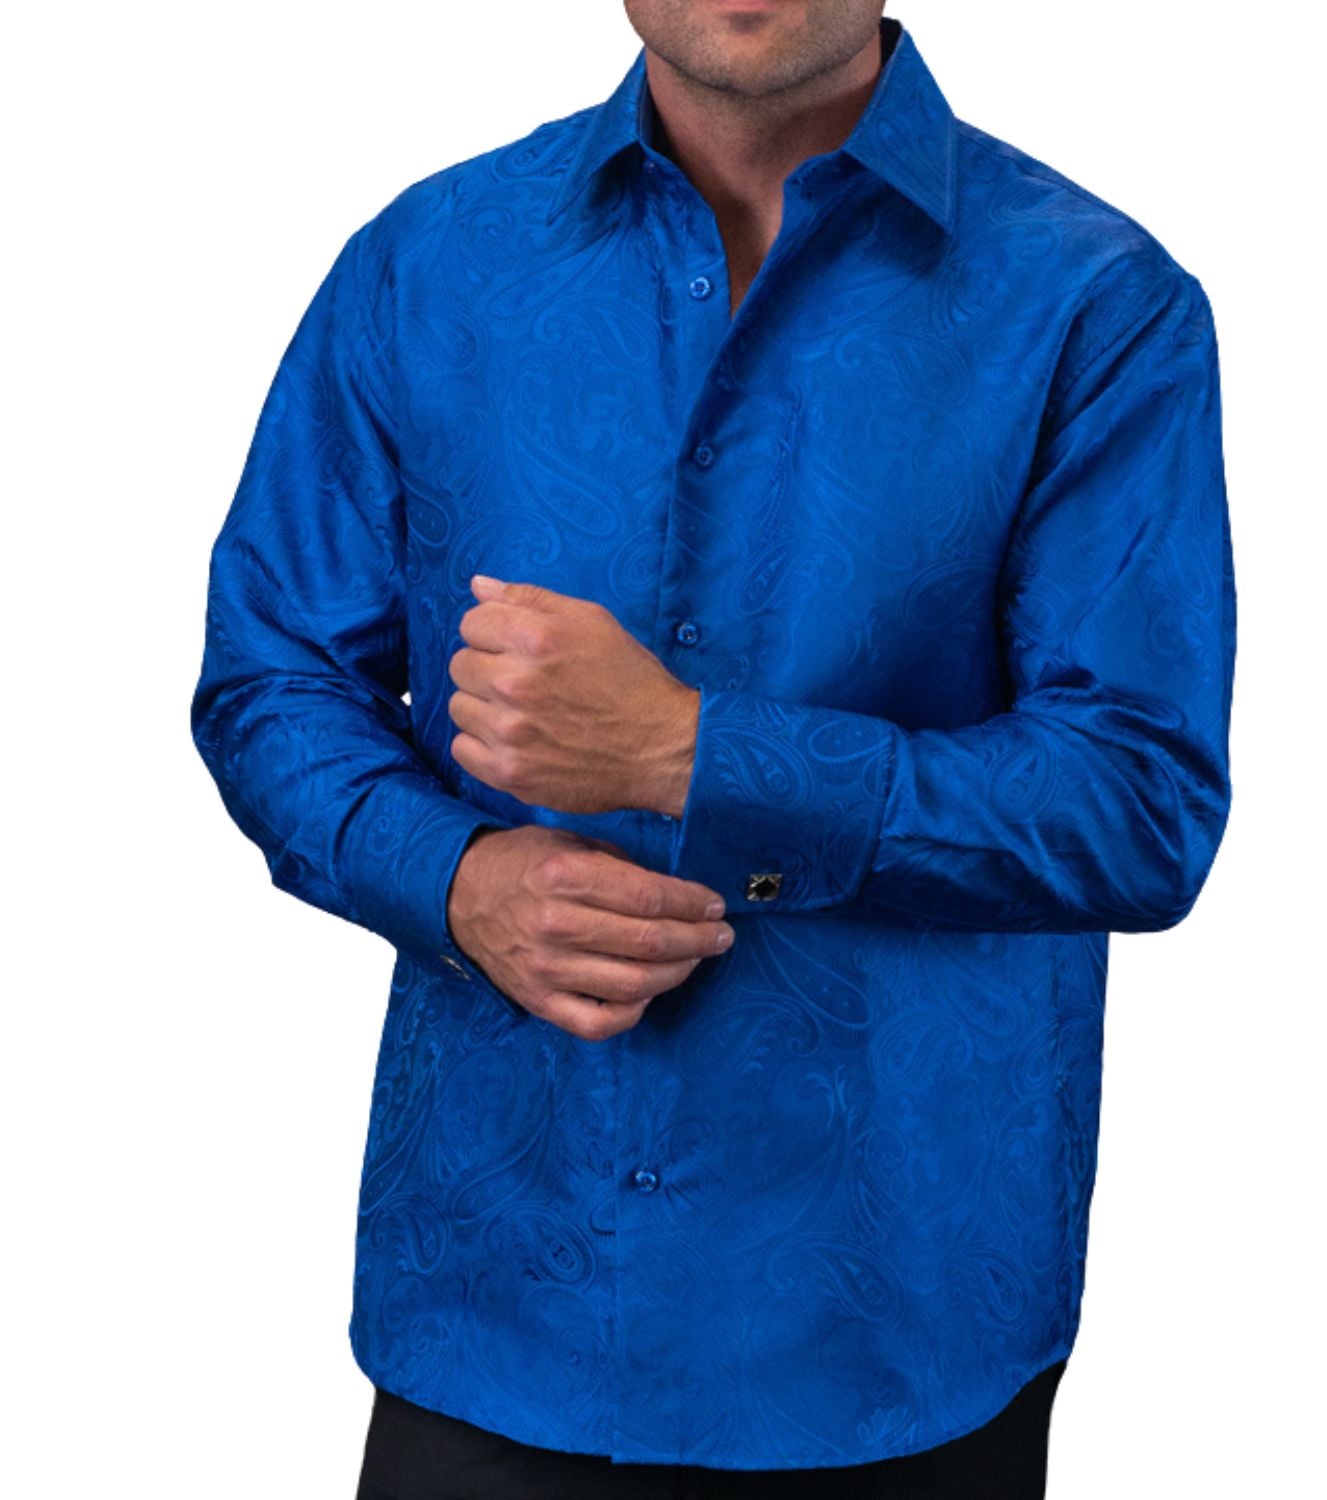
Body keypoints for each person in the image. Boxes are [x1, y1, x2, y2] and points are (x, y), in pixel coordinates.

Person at [189, 3, 1235, 1496]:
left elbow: (1137, 802)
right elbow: (271, 674)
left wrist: (692, 754)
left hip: (895, 1340)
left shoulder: (1094, 302)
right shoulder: (431, 263)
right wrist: (457, 880)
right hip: (495, 1301)